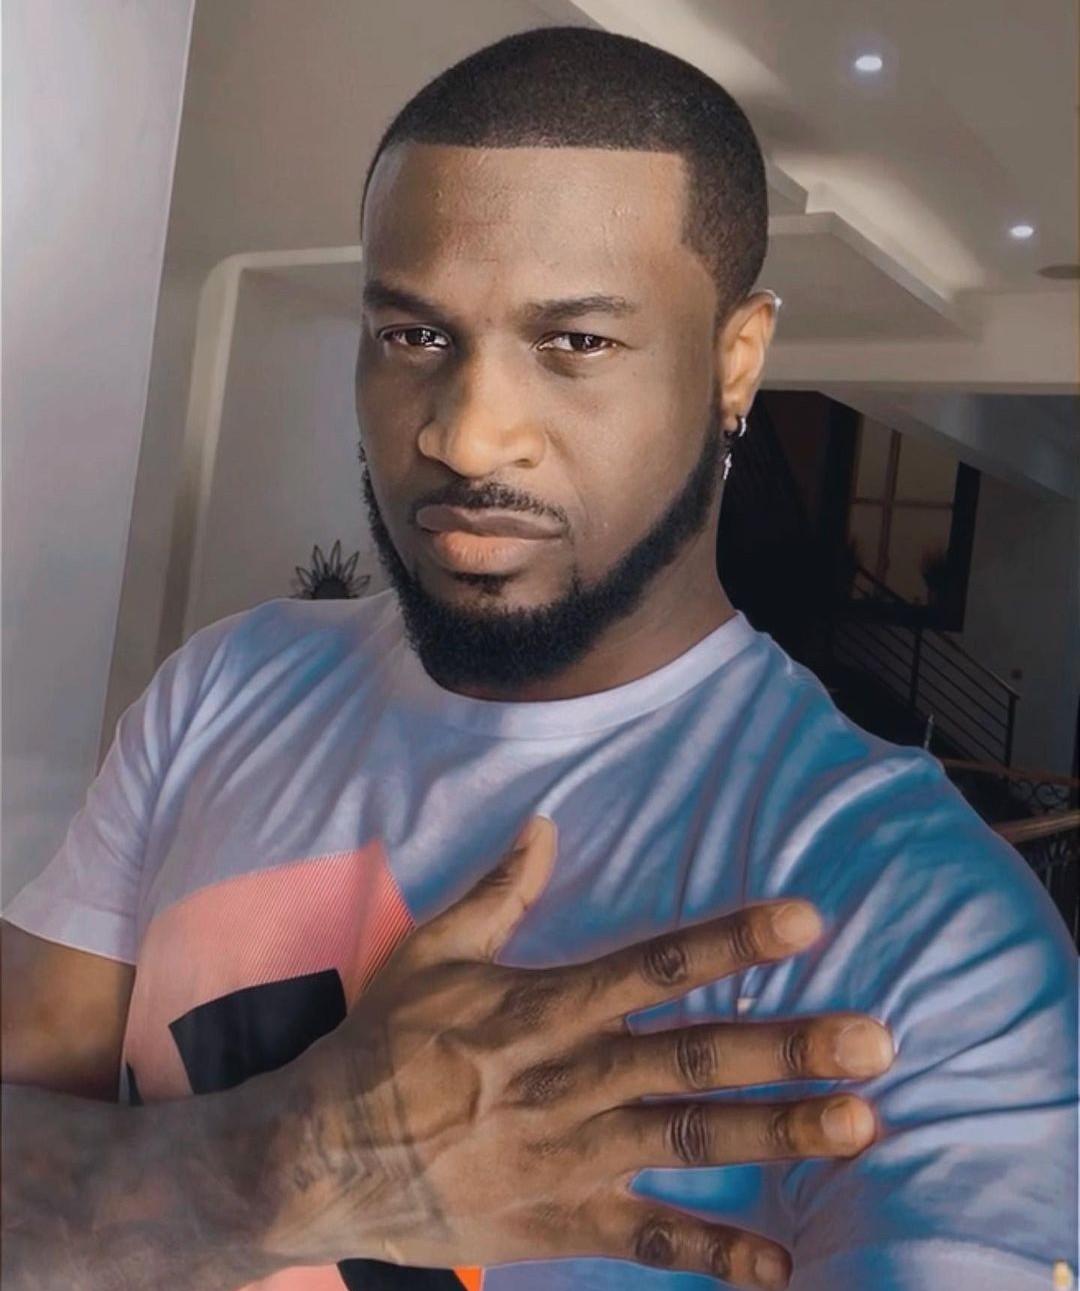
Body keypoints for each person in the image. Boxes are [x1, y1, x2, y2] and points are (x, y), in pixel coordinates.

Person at [1, 25, 1075, 1291]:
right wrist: (280, 1162)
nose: (467, 436)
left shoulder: (921, 919)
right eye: (414, 336)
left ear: (734, 362)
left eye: (576, 343)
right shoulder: (227, 685)